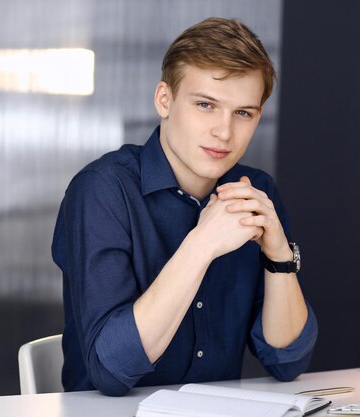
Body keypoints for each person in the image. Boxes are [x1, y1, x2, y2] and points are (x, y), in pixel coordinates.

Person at [52, 17, 318, 396]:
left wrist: (278, 255)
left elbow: (286, 360)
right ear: (165, 99)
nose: (224, 132)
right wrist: (202, 244)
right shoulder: (102, 190)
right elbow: (111, 370)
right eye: (206, 105)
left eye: (243, 113)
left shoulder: (255, 191)